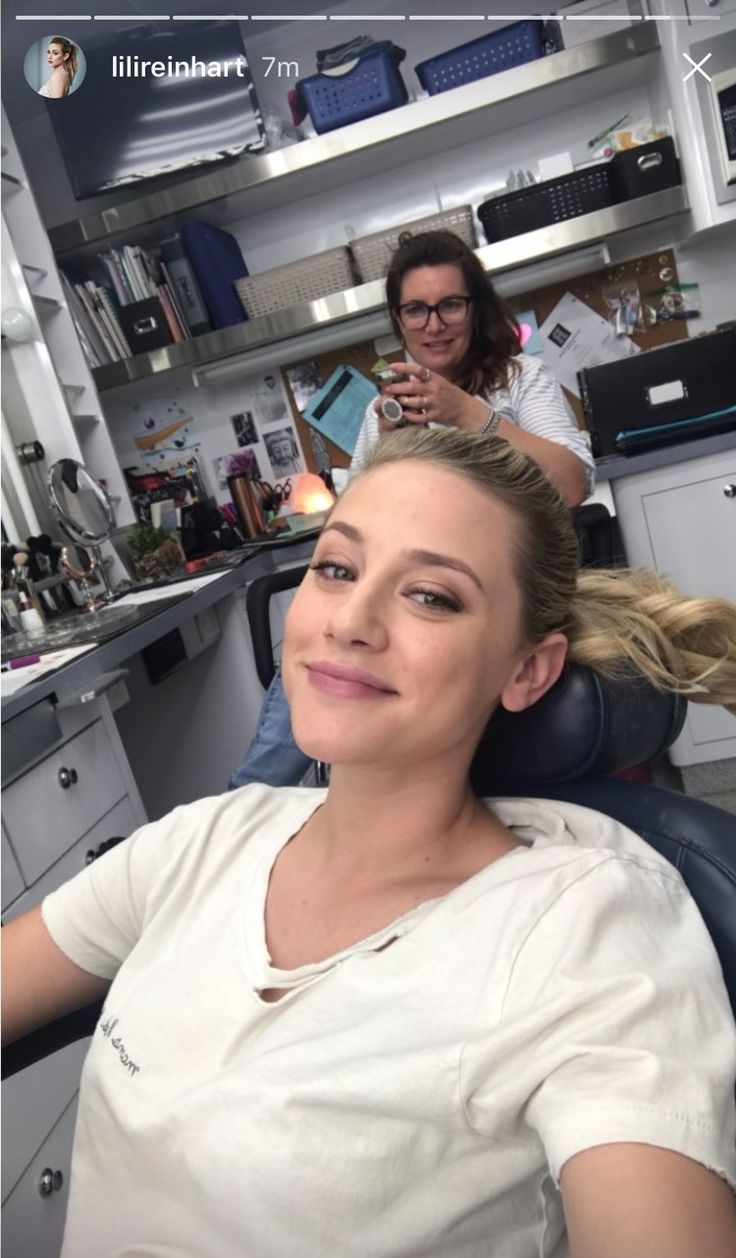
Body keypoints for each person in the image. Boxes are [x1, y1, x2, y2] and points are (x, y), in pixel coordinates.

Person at [4, 428, 736, 1258]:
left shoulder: (587, 927)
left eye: (431, 596)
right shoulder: (198, 842)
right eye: (337, 569)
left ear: (528, 671)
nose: (351, 620)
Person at [230, 229, 594, 788]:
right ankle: (251, 807)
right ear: (399, 322)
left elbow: (571, 484)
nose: (434, 323)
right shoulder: (385, 411)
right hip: (401, 587)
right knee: (329, 642)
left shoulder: (520, 381)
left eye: (449, 304)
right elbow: (354, 515)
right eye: (416, 310)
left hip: (486, 589)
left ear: (475, 309)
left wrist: (470, 415)